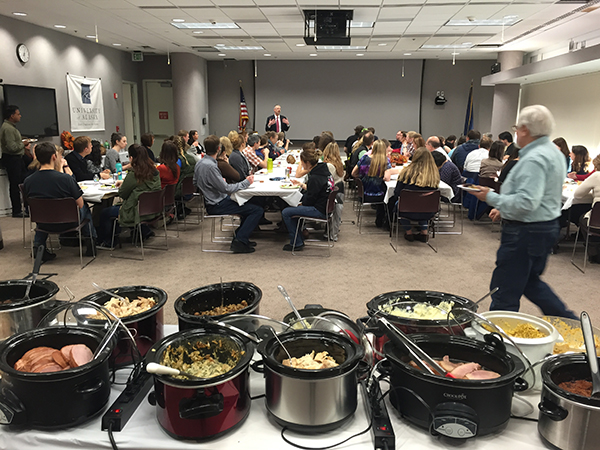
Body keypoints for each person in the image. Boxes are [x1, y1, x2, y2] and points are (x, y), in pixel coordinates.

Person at [472, 105, 576, 319]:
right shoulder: (554, 154)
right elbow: (539, 197)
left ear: (525, 129)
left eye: (517, 128)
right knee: (530, 283)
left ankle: (500, 340)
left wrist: (490, 197)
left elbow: (526, 202)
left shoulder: (534, 158)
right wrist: (504, 208)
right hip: (543, 226)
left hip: (525, 232)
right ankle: (571, 322)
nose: (516, 133)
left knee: (504, 289)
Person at [23, 142, 97, 260]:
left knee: (43, 212)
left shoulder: (28, 181)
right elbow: (80, 204)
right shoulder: (66, 179)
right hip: (69, 222)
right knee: (86, 208)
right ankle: (91, 243)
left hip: (43, 223)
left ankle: (38, 247)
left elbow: (29, 205)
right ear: (54, 157)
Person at [195, 135, 262, 254]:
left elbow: (195, 182)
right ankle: (240, 241)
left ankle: (242, 237)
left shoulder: (200, 163)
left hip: (211, 200)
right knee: (256, 210)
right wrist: (246, 183)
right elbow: (226, 188)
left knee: (250, 204)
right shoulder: (211, 166)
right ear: (218, 149)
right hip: (217, 203)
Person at [97, 145, 161, 247]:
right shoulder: (155, 171)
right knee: (121, 207)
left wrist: (125, 184)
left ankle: (108, 241)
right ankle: (144, 231)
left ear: (131, 158)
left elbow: (123, 194)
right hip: (152, 209)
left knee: (105, 212)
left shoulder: (134, 174)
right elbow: (142, 186)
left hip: (135, 211)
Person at [281, 147, 333, 251]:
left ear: (307, 163)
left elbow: (310, 199)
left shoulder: (315, 177)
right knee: (292, 207)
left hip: (319, 209)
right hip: (325, 206)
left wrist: (300, 203)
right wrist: (302, 185)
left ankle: (296, 242)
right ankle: (298, 237)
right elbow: (316, 191)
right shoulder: (323, 171)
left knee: (286, 212)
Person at [390, 148, 440, 242]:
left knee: (400, 203)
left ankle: (409, 232)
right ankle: (424, 232)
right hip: (429, 210)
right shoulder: (434, 175)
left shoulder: (406, 172)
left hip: (406, 210)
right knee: (423, 201)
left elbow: (397, 193)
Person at [352, 139, 392, 228]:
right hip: (379, 194)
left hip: (364, 194)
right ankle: (385, 221)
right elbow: (387, 178)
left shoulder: (364, 158)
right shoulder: (385, 161)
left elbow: (353, 173)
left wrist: (363, 176)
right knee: (391, 197)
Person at [0, 105, 29, 217]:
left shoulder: (11, 127)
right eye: (18, 114)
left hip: (17, 158)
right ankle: (16, 210)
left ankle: (25, 208)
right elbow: (12, 147)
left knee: (23, 182)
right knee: (15, 185)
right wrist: (23, 144)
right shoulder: (8, 128)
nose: (20, 116)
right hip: (12, 159)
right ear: (12, 116)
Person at [573, 153, 600, 263]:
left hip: (597, 218)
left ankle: (594, 251)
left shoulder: (597, 176)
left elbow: (578, 195)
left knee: (582, 219)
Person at [323, 142, 345, 241]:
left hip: (333, 190)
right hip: (340, 188)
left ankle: (331, 234)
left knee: (334, 212)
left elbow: (327, 181)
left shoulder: (329, 166)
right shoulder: (339, 164)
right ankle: (333, 233)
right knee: (337, 214)